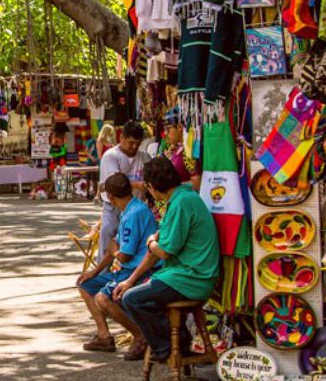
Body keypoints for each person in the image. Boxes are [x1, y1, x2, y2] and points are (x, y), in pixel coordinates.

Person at [113, 157, 220, 362]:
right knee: (131, 293)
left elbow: (163, 252)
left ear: (152, 187)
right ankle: (177, 341)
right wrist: (131, 280)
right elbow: (156, 252)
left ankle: (168, 348)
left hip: (193, 278)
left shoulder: (182, 203)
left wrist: (150, 241)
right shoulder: (181, 199)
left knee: (132, 299)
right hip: (184, 275)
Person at [76, 173, 158, 358]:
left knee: (103, 298)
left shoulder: (134, 214)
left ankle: (140, 336)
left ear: (111, 197)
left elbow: (123, 255)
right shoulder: (129, 210)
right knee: (84, 284)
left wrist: (114, 251)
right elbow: (115, 248)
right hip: (128, 269)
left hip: (139, 271)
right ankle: (104, 335)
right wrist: (95, 271)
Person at [90, 121, 151, 267]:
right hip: (113, 208)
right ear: (121, 138)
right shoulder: (111, 156)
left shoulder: (145, 157)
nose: (134, 147)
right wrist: (138, 185)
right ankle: (101, 275)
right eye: (131, 143)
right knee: (108, 238)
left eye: (138, 143)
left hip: (137, 208)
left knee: (134, 245)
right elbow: (115, 183)